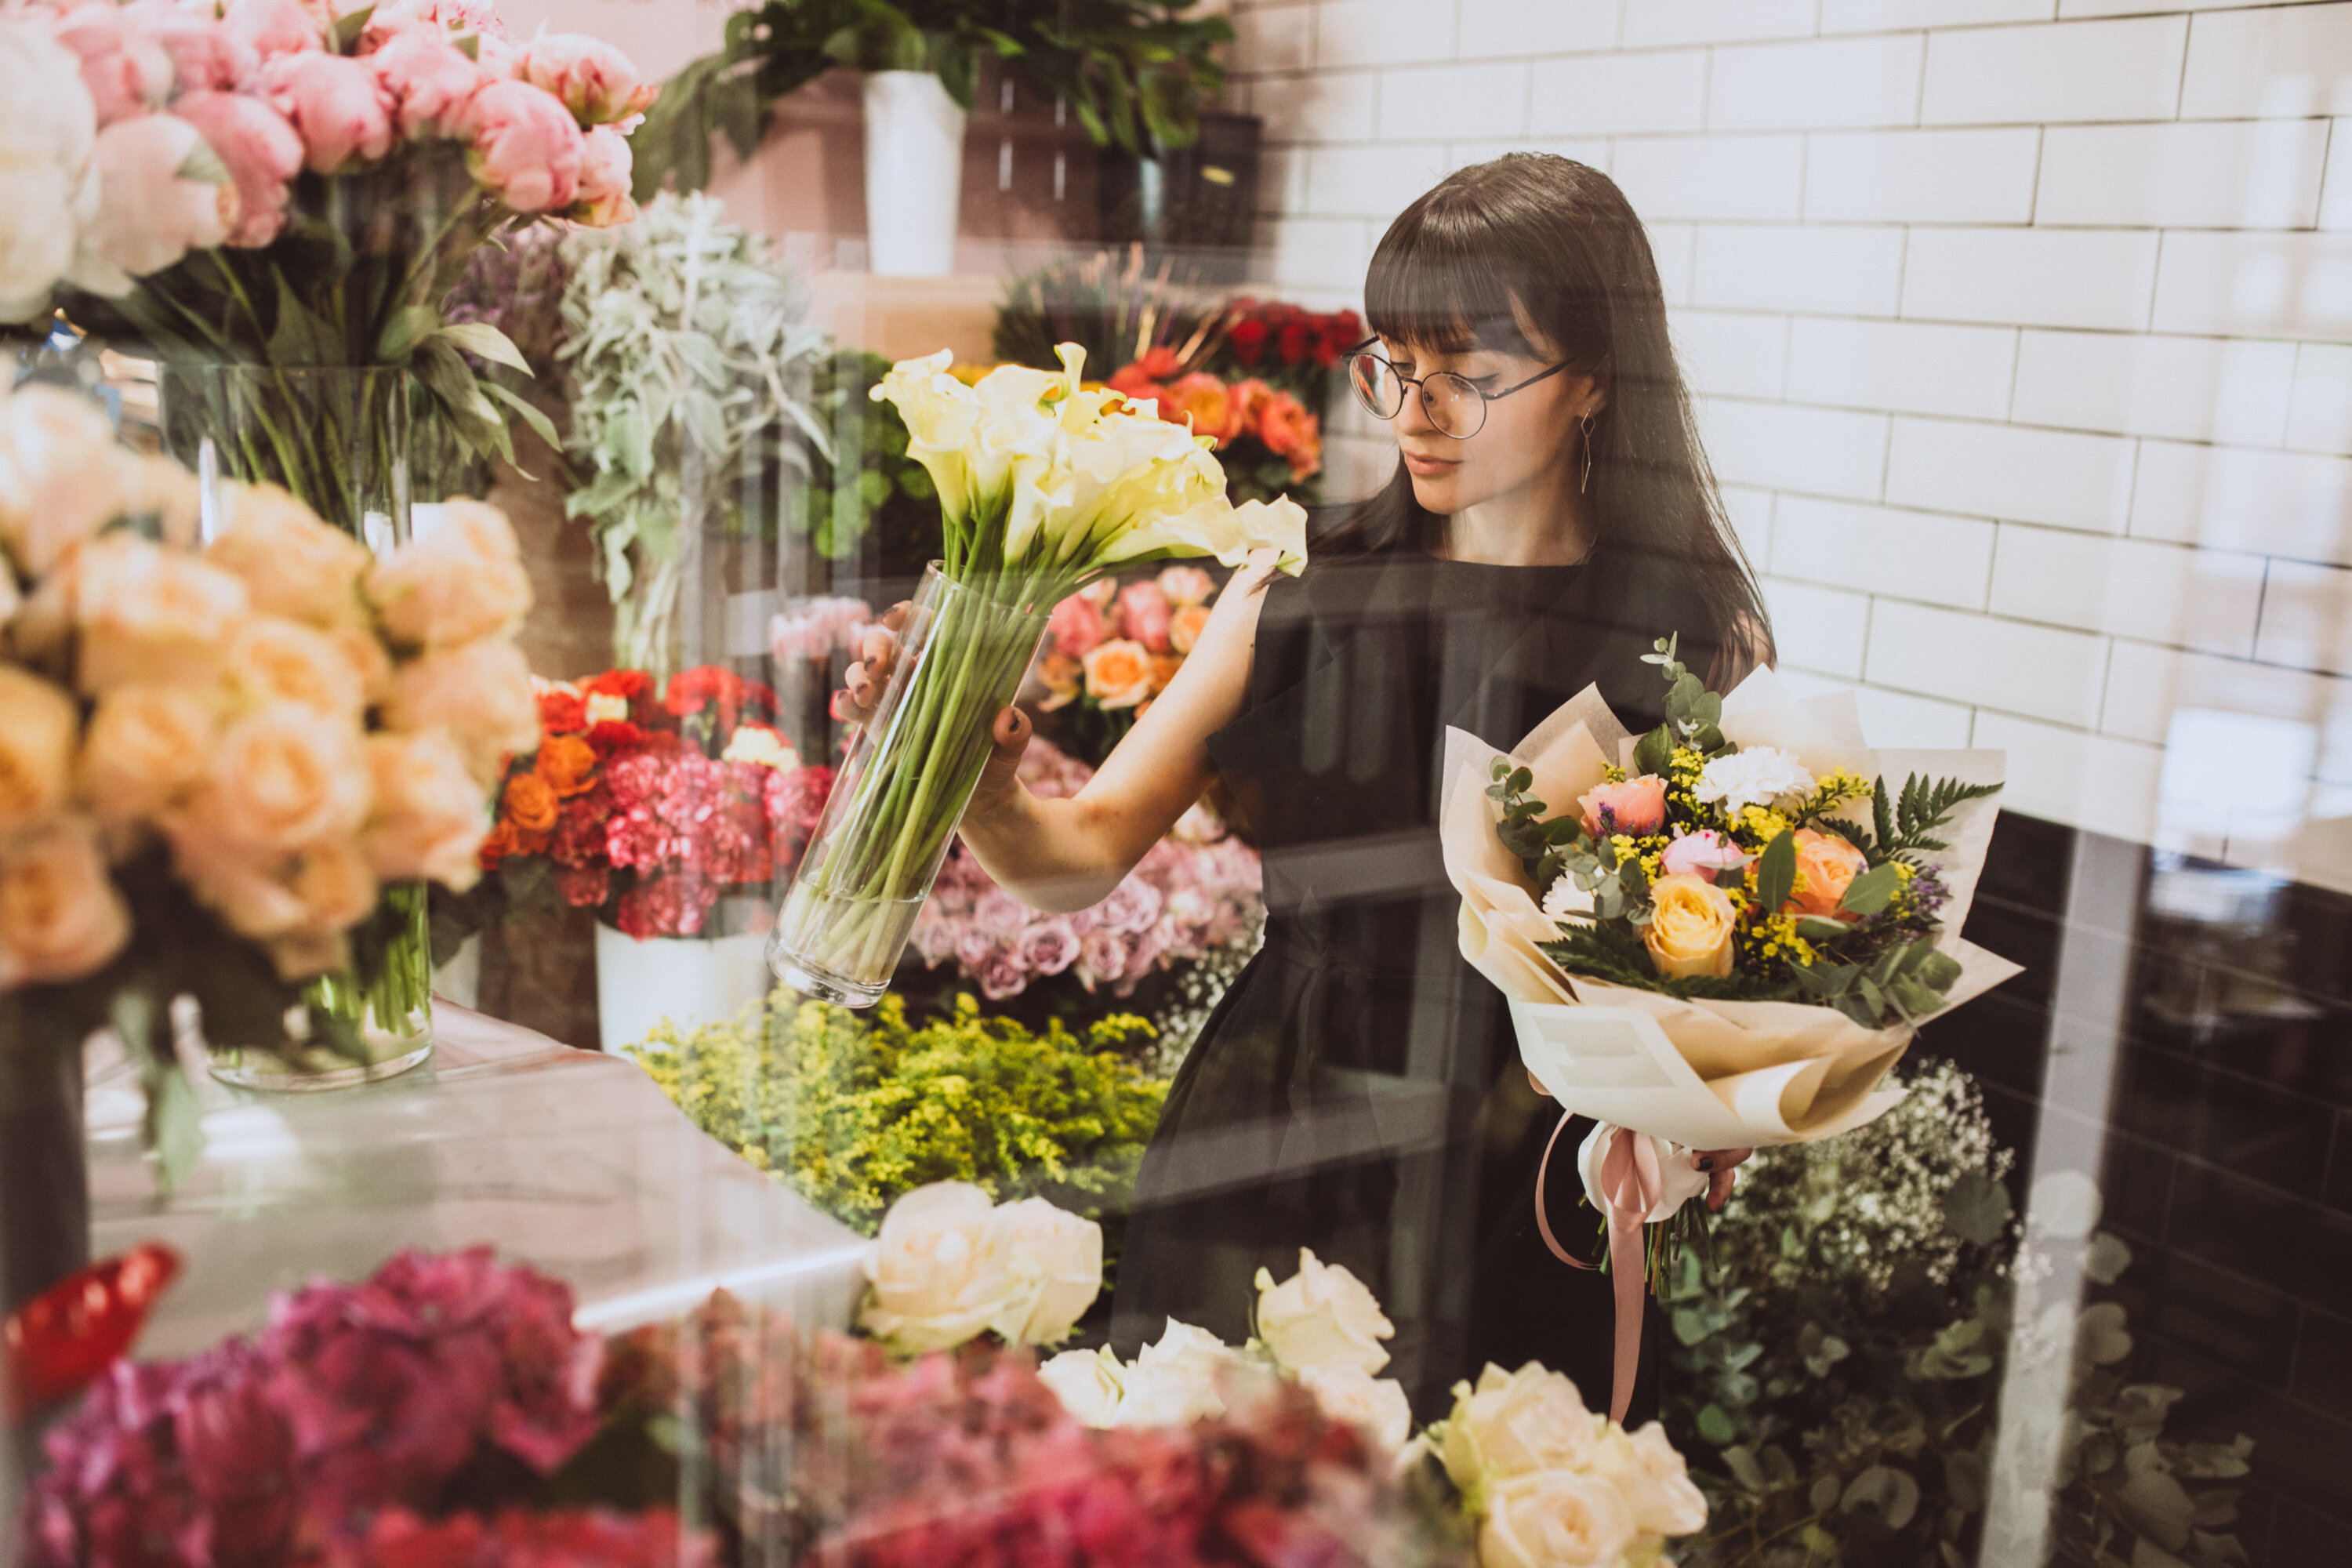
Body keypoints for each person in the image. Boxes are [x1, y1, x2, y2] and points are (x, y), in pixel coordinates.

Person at [838, 154, 1771, 1419]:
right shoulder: (1297, 581)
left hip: (1522, 1160)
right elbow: (1080, 852)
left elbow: (1720, 953)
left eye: (1472, 378)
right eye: (1394, 365)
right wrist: (980, 779)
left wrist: (1707, 1096)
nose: (1415, 416)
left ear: (1598, 379)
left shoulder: (1697, 637)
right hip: (1282, 1120)